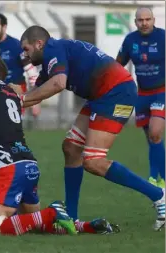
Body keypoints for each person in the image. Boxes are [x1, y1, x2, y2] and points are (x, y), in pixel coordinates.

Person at [0, 54, 120, 235]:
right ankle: (86, 227)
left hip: (7, 168)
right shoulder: (12, 92)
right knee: (34, 224)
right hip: (28, 165)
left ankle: (53, 211)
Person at [16, 25, 165, 231]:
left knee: (93, 161)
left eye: (26, 48)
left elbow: (58, 84)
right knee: (71, 148)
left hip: (116, 93)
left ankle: (159, 196)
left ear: (39, 43)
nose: (25, 54)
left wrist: (20, 100)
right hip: (101, 95)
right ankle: (72, 218)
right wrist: (11, 97)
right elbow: (37, 90)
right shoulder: (53, 55)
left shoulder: (53, 50)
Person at [116, 7, 165, 188]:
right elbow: (117, 65)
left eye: (147, 19)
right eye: (140, 20)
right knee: (152, 138)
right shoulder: (130, 40)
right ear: (136, 22)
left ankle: (157, 178)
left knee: (155, 132)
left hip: (162, 91)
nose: (144, 23)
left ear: (153, 20)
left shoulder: (163, 37)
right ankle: (158, 178)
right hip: (142, 94)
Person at [0, 13, 40, 117]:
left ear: (4, 27)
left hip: (15, 92)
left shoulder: (17, 46)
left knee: (13, 128)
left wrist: (35, 100)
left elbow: (31, 71)